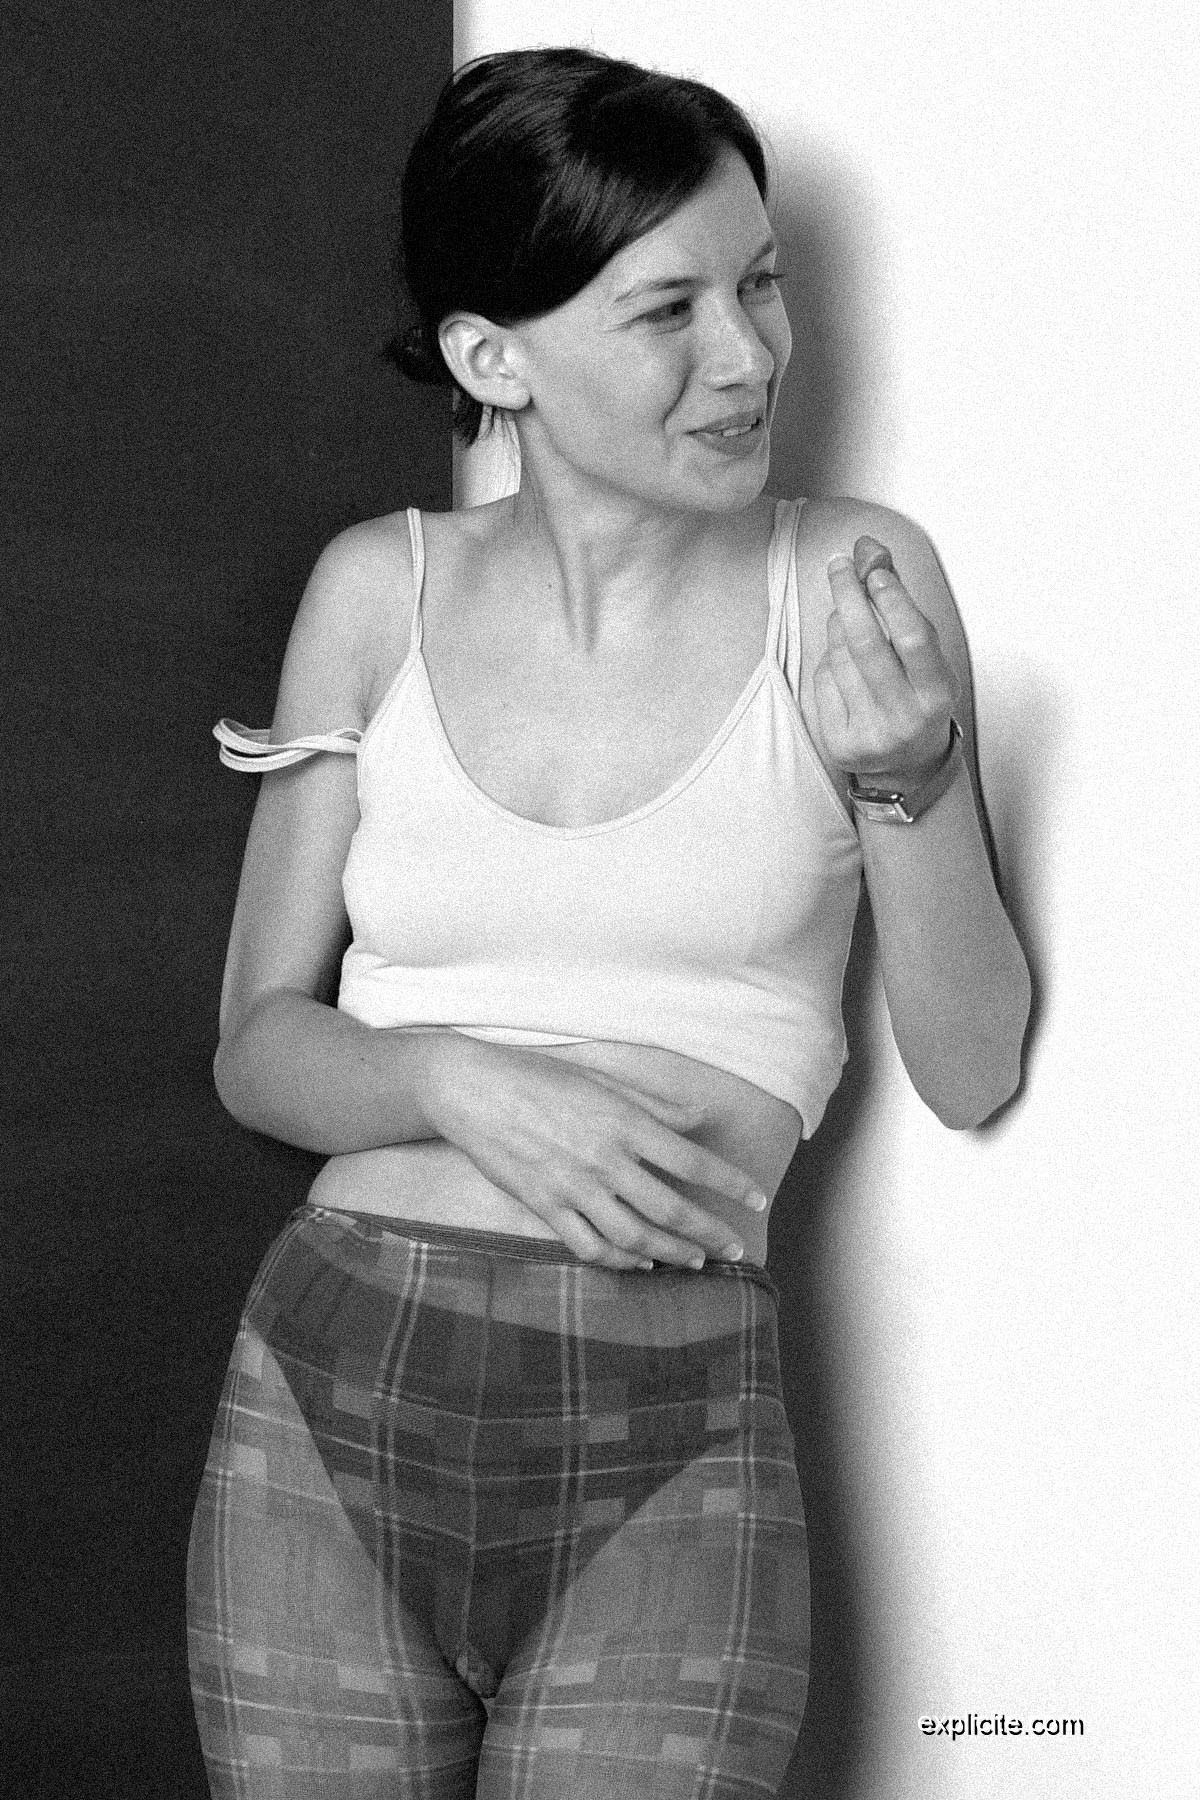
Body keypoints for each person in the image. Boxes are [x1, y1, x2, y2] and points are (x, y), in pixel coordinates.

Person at [186, 46, 1031, 1800]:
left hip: (670, 1421)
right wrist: (460, 1081)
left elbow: (971, 1068)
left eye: (762, 284)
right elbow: (260, 1049)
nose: (750, 356)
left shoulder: (848, 582)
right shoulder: (376, 589)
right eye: (668, 310)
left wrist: (912, 781)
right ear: (494, 357)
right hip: (329, 1388)